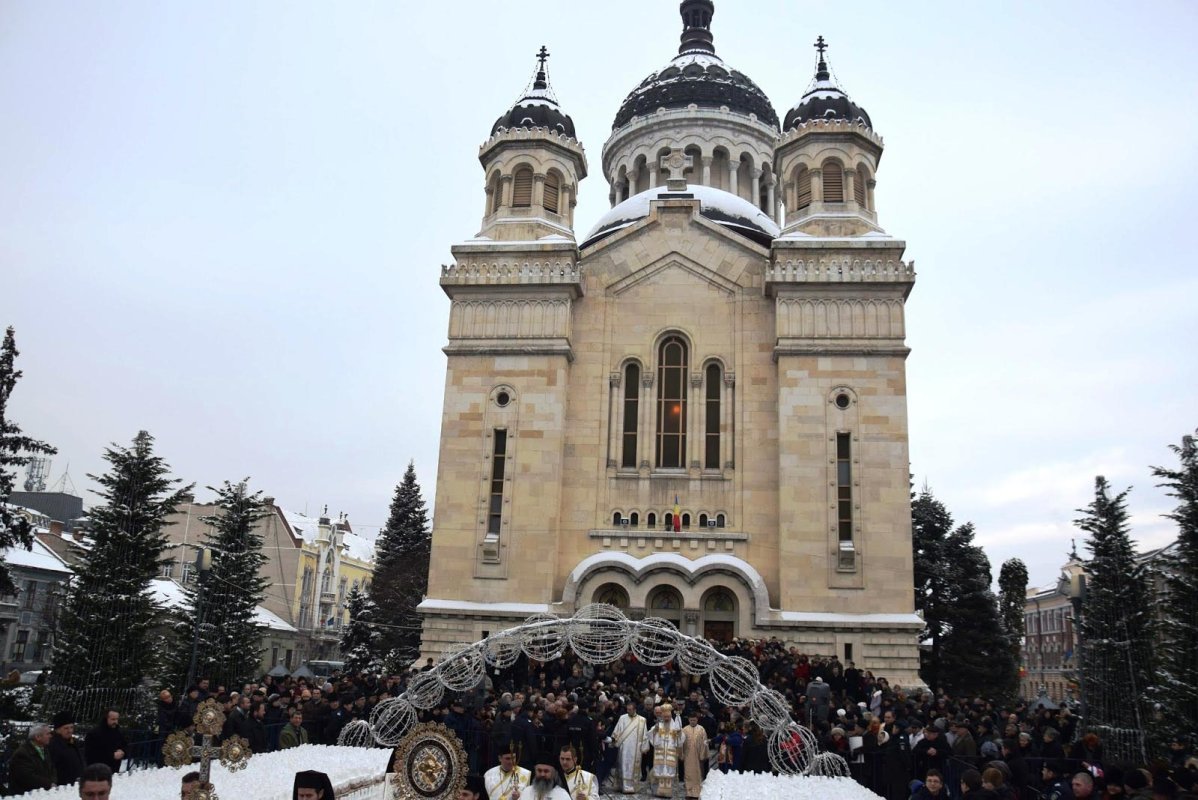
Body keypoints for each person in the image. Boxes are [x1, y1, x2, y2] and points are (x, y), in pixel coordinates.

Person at [611, 699, 648, 793]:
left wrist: (644, 747)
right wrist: (613, 740)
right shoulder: (622, 718)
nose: (628, 711)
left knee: (632, 767)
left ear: (635, 709)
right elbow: (617, 730)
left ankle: (631, 787)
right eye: (627, 709)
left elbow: (645, 735)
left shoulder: (642, 720)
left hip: (636, 749)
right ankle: (622, 786)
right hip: (624, 748)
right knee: (623, 765)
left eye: (630, 709)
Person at [8, 723, 57, 793]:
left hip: (43, 792)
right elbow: (28, 777)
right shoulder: (22, 753)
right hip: (26, 795)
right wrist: (49, 784)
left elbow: (52, 768)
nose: (51, 736)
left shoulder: (45, 749)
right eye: (48, 734)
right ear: (38, 737)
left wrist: (53, 782)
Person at [646, 703, 680, 797]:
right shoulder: (658, 725)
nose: (666, 718)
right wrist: (655, 731)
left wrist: (678, 734)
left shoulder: (674, 726)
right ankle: (657, 791)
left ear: (670, 716)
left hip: (670, 753)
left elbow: (680, 739)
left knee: (668, 772)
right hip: (660, 753)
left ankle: (668, 793)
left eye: (668, 716)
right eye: (664, 716)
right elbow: (649, 735)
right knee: (659, 772)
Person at [84, 709, 128, 774]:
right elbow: (90, 753)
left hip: (114, 770)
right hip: (97, 771)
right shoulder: (94, 733)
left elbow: (125, 746)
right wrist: (112, 755)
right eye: (113, 719)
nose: (115, 722)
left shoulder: (119, 732)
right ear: (106, 719)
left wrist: (123, 752)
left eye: (117, 719)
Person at [49, 710, 87, 786]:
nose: (70, 731)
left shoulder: (74, 742)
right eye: (66, 728)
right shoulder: (52, 744)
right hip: (63, 787)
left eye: (71, 727)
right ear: (57, 729)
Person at [679, 712, 708, 800]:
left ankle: (696, 793)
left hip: (698, 756)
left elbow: (705, 743)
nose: (692, 722)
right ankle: (689, 792)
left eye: (694, 720)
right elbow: (681, 743)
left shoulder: (701, 729)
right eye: (691, 720)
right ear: (688, 720)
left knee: (697, 774)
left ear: (697, 720)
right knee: (688, 774)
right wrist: (681, 754)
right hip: (688, 756)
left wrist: (703, 755)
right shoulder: (684, 730)